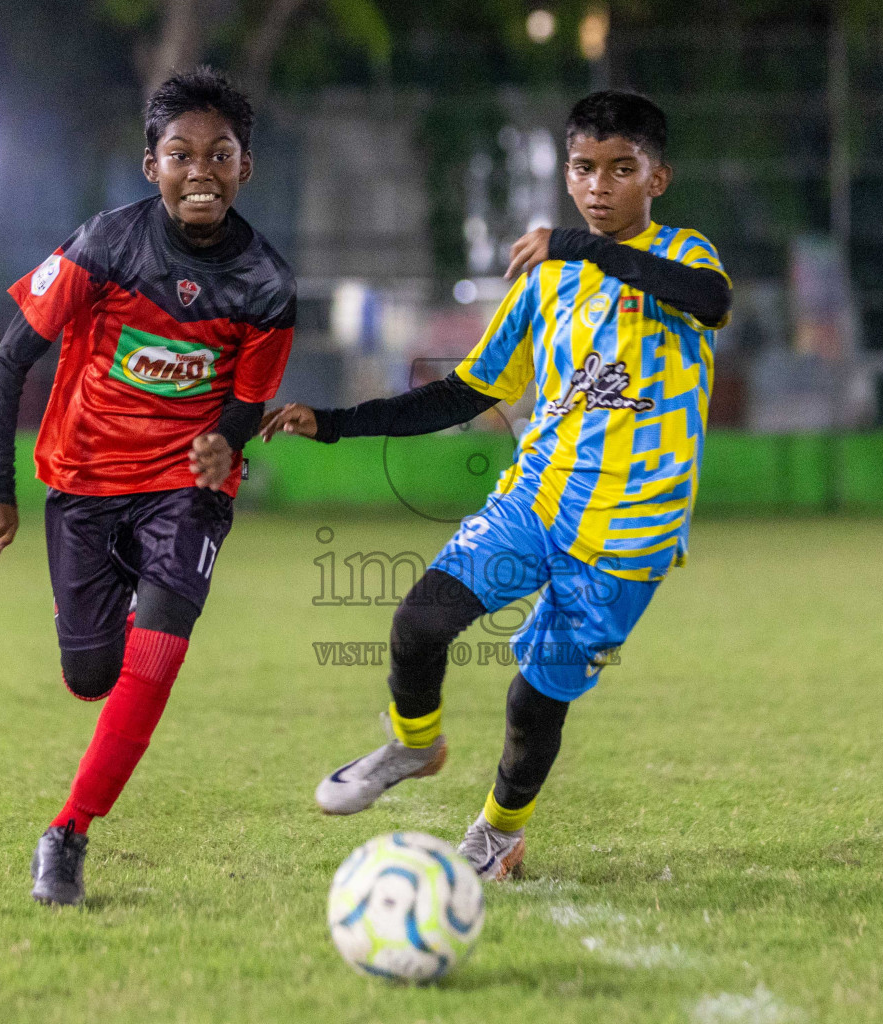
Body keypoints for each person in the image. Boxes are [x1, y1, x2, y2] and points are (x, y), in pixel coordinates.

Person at [260, 90, 731, 881]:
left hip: (633, 530)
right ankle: (414, 744)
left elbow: (710, 301)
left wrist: (578, 245)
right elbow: (465, 392)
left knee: (532, 700)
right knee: (417, 625)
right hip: (537, 501)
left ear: (658, 178)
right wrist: (334, 421)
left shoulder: (684, 258)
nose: (598, 185)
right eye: (584, 168)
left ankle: (498, 832)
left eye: (622, 169)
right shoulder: (546, 285)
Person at [0, 67, 295, 906]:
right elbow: (12, 359)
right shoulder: (104, 245)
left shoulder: (267, 286)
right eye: (180, 154)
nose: (201, 171)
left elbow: (247, 401)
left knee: (157, 652)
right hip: (81, 483)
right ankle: (85, 620)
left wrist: (225, 441)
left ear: (244, 168)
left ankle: (67, 833)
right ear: (152, 165)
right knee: (90, 676)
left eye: (220, 155)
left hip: (187, 488)